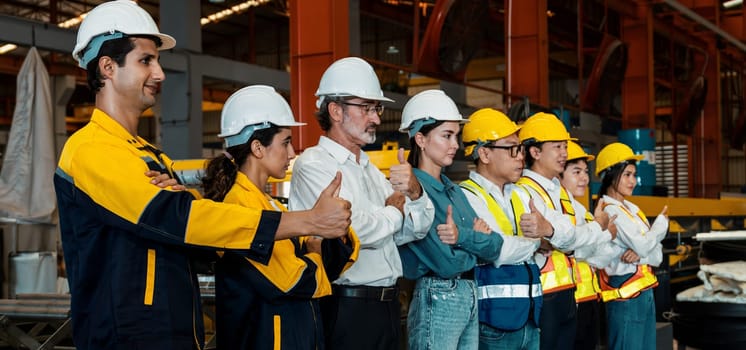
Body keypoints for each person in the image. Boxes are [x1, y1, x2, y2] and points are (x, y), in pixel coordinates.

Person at [54, 2, 351, 349]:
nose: (160, 74)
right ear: (107, 67)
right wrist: (307, 222)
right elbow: (179, 219)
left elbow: (194, 230)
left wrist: (186, 201)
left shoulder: (147, 155)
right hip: (127, 337)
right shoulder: (91, 149)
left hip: (170, 332)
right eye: (146, 60)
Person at [288, 57, 434, 350]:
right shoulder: (314, 164)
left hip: (387, 307)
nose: (377, 118)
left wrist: (415, 194)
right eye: (366, 108)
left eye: (376, 108)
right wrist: (393, 211)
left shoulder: (367, 167)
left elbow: (410, 232)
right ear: (336, 111)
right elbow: (354, 230)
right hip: (346, 308)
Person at [201, 85, 361, 349]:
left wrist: (336, 230)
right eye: (285, 142)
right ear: (257, 147)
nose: (291, 153)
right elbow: (295, 282)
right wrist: (314, 249)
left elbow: (331, 268)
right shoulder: (239, 206)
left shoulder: (272, 205)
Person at [397, 90, 507, 350]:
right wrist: (475, 240)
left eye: (455, 136)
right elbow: (446, 262)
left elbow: (495, 246)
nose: (455, 144)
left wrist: (462, 238)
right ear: (421, 139)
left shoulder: (453, 190)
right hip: (436, 294)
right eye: (446, 136)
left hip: (468, 294)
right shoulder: (412, 191)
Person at [516, 112, 615, 350]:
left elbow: (570, 238)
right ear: (535, 152)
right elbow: (569, 237)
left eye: (565, 147)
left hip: (568, 294)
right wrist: (595, 229)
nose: (564, 153)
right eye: (558, 147)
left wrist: (563, 236)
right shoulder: (525, 192)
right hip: (543, 296)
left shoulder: (559, 194)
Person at [459, 108, 550, 350]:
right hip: (494, 323)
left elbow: (558, 237)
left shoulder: (521, 193)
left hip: (530, 318)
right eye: (512, 149)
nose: (520, 157)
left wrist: (544, 236)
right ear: (485, 153)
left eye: (520, 149)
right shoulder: (466, 197)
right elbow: (499, 251)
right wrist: (536, 242)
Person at [595, 142, 668, 350]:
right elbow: (647, 245)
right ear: (610, 175)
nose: (633, 181)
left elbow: (656, 255)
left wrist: (641, 254)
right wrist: (660, 228)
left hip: (644, 291)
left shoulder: (633, 210)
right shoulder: (610, 210)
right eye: (626, 175)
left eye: (634, 175)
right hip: (625, 294)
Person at [558, 141, 617, 350]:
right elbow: (574, 248)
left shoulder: (581, 210)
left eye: (585, 171)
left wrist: (598, 238)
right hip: (569, 301)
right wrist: (600, 236)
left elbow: (602, 256)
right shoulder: (560, 209)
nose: (584, 177)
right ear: (559, 173)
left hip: (589, 297)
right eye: (576, 171)